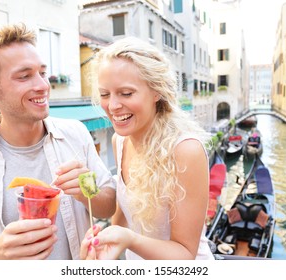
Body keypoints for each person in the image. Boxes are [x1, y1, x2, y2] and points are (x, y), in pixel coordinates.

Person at [0, 23, 116, 260]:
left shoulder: (76, 134)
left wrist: (87, 190)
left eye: (42, 73)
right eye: (24, 76)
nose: (43, 86)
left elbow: (109, 205)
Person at [80, 37, 214, 260]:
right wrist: (105, 245)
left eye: (126, 93)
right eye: (105, 95)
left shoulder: (185, 151)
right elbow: (123, 214)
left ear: (156, 92)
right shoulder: (119, 142)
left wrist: (130, 240)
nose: (112, 106)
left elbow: (185, 254)